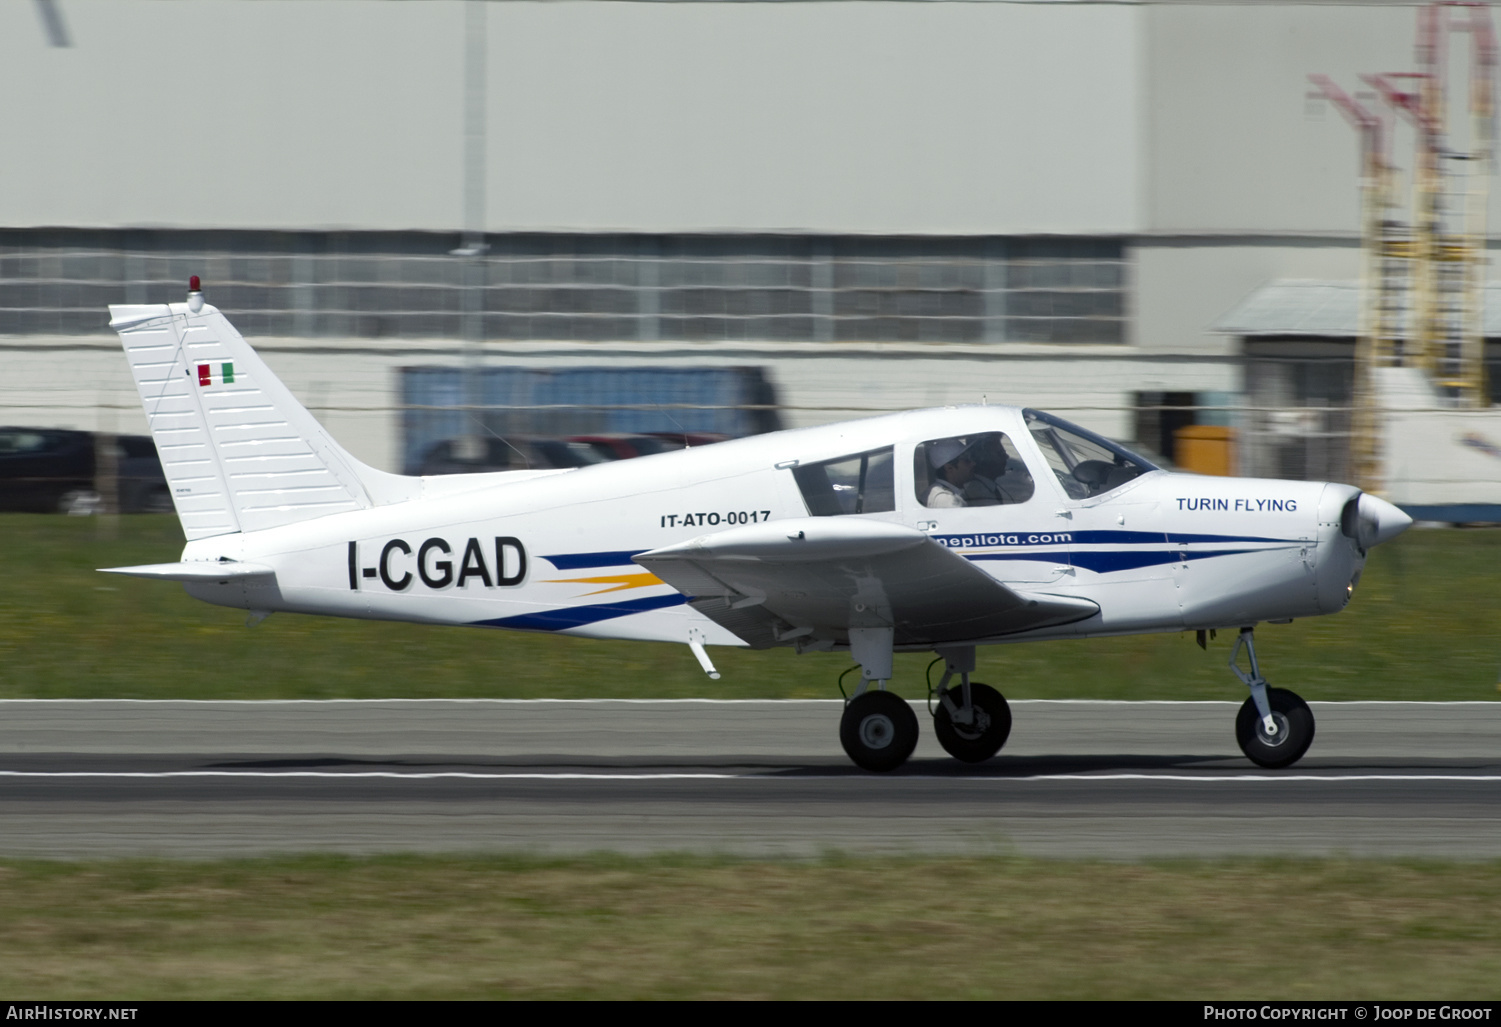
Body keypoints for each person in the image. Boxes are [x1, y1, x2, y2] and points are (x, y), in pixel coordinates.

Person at [925, 438, 977, 507]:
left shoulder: (933, 491)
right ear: (949, 468)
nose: (973, 463)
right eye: (966, 461)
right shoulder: (948, 500)